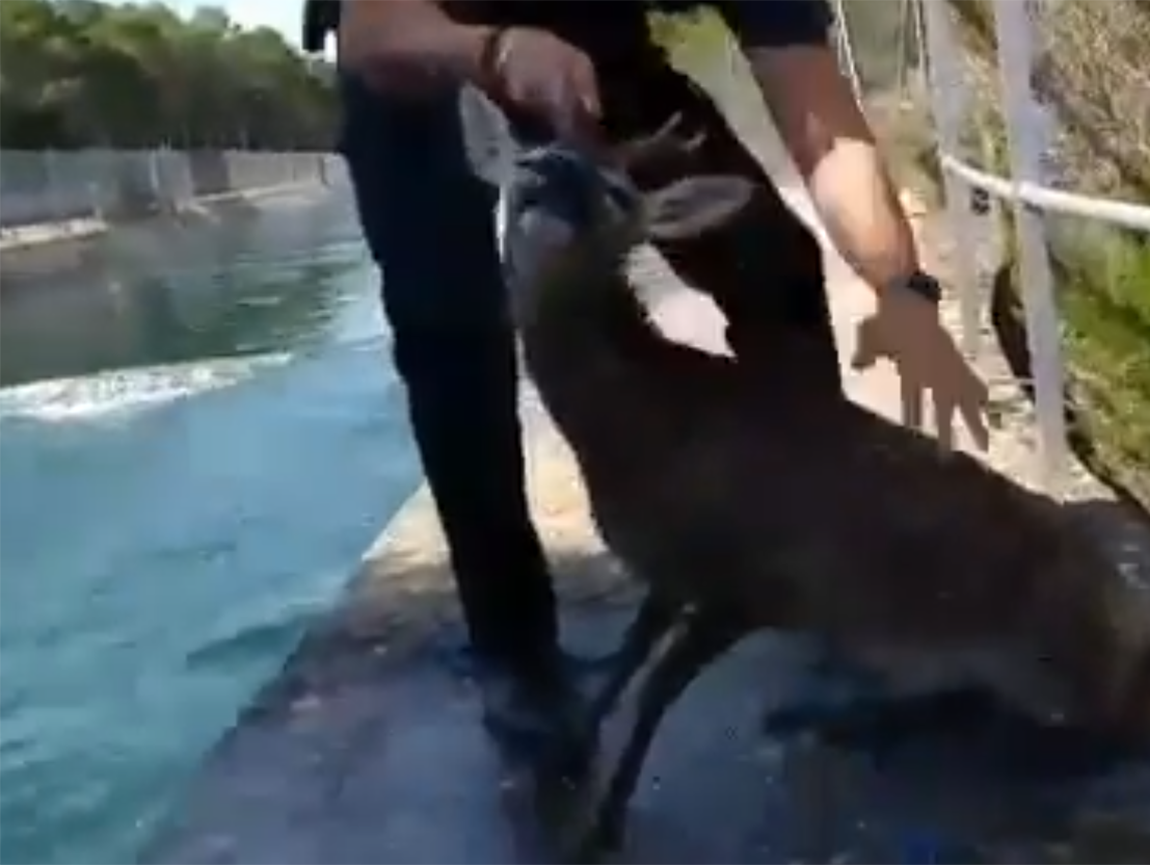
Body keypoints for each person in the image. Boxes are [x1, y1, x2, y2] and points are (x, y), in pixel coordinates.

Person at [313, 0, 992, 768]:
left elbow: (820, 124)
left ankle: (801, 560)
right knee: (452, 334)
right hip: (426, 72)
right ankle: (515, 652)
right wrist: (496, 50)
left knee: (774, 261)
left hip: (594, 60)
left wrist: (899, 288)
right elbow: (376, 34)